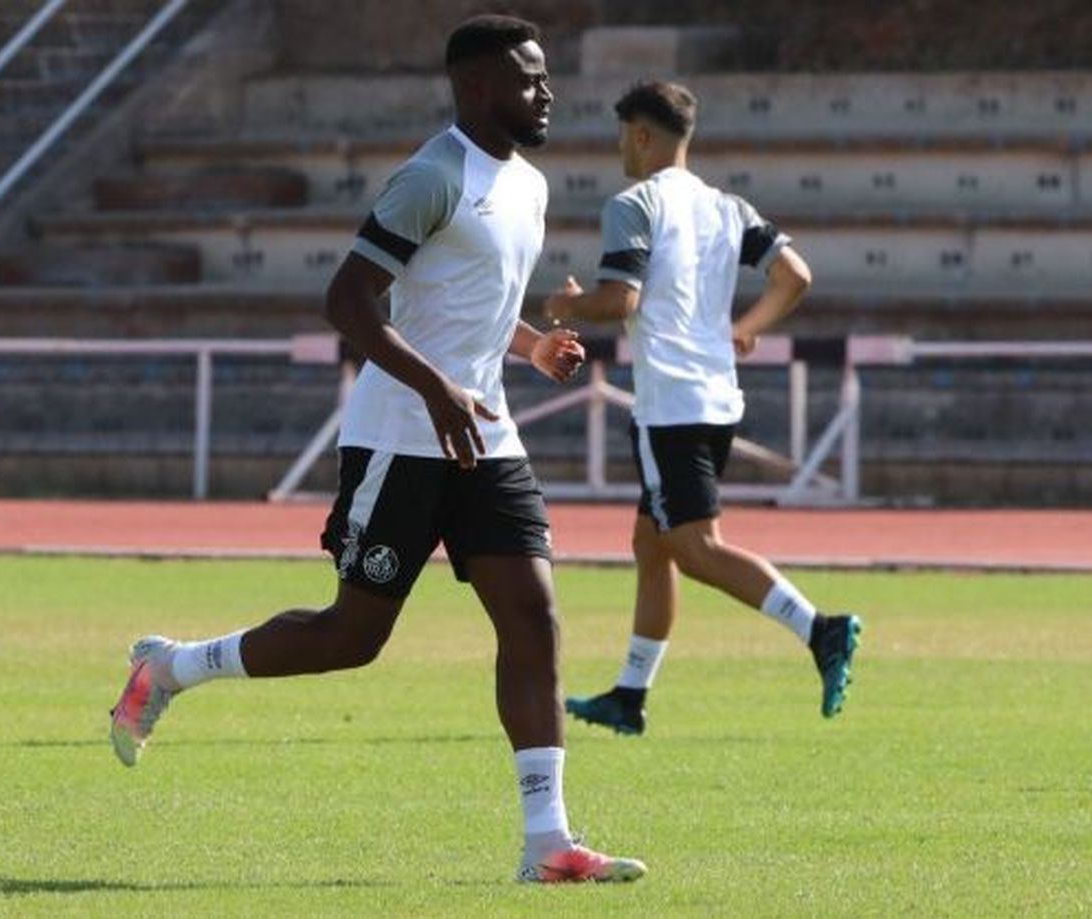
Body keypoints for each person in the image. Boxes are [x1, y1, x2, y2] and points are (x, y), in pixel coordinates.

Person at [109, 15, 646, 884]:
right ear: (475, 88)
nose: (545, 92)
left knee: (534, 614)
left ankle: (546, 841)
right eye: (527, 79)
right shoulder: (430, 176)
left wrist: (529, 346)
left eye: (545, 78)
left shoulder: (531, 186)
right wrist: (434, 387)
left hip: (484, 432)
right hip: (402, 435)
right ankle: (170, 666)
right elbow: (350, 299)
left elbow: (463, 297)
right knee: (352, 636)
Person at [544, 80, 862, 737]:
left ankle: (819, 628)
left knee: (694, 547)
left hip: (671, 405)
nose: (620, 150)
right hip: (718, 397)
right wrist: (748, 326)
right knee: (651, 543)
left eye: (621, 136)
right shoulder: (727, 206)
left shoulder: (634, 203)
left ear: (640, 135)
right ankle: (629, 695)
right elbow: (794, 275)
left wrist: (565, 306)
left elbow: (620, 300)